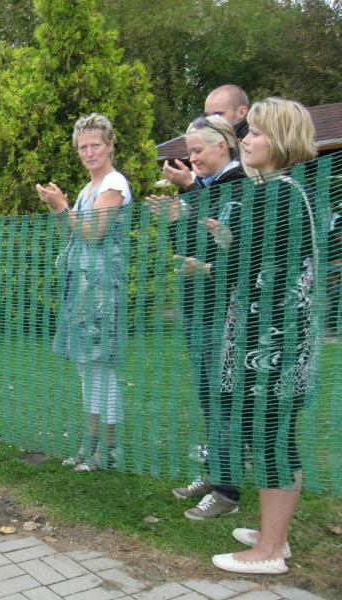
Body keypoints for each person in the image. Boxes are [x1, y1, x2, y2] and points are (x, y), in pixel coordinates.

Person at [205, 98, 318, 575]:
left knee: (270, 437)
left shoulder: (277, 195)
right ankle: (276, 536)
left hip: (272, 343)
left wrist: (219, 245)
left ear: (282, 140)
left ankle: (269, 551)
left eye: (255, 132)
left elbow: (240, 269)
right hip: (271, 338)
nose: (244, 139)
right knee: (273, 435)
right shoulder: (280, 190)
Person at [147, 115, 247, 520]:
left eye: (197, 150)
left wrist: (190, 193)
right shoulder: (205, 187)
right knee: (209, 398)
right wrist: (176, 220)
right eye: (189, 151)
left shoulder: (238, 185)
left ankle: (227, 491)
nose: (191, 158)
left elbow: (234, 252)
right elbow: (193, 243)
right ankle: (215, 473)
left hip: (223, 310)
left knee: (224, 400)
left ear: (222, 146)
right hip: (197, 305)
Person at [36, 113, 132, 472]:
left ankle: (109, 449)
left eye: (95, 145)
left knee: (100, 369)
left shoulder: (114, 184)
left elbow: (94, 233)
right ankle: (90, 444)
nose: (89, 152)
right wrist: (57, 209)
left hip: (103, 291)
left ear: (110, 145)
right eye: (82, 147)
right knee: (85, 368)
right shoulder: (87, 189)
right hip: (81, 288)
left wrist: (64, 208)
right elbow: (72, 234)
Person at [164, 85, 250, 191]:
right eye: (207, 116)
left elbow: (221, 201)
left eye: (218, 114)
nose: (210, 120)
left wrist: (189, 185)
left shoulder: (250, 152)